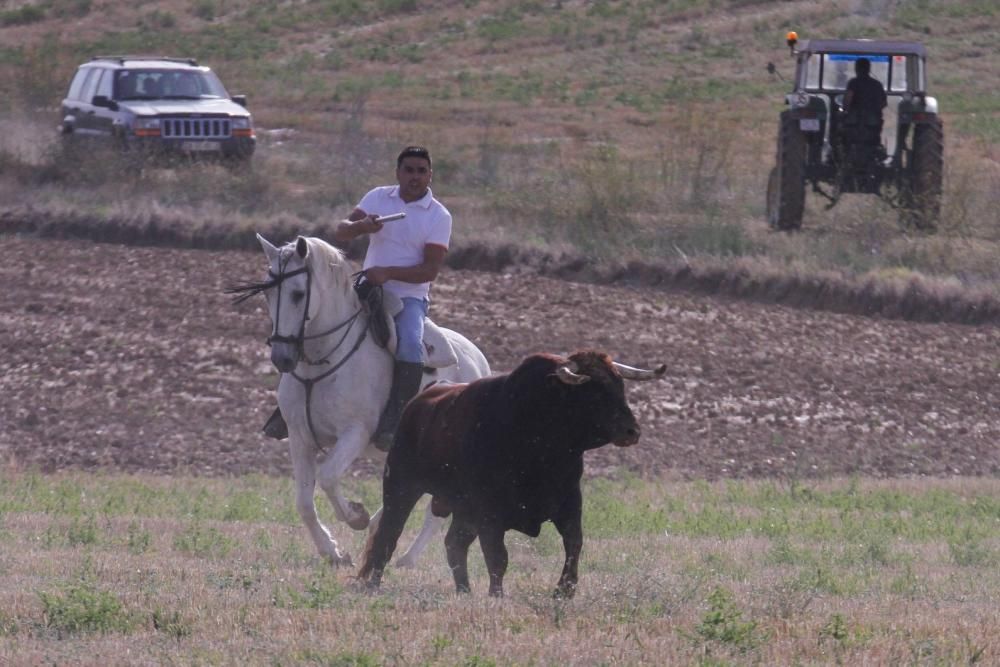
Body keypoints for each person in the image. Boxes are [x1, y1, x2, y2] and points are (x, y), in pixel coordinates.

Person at [263, 146, 452, 451]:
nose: (414, 177)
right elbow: (342, 231)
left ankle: (394, 419)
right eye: (409, 170)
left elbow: (429, 270)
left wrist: (387, 273)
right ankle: (287, 413)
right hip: (367, 287)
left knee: (409, 347)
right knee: (308, 327)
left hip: (409, 298)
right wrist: (362, 227)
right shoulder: (378, 196)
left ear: (430, 175)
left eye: (421, 171)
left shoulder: (439, 216)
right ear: (398, 172)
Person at [842, 57, 887, 141]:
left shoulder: (853, 82)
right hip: (873, 121)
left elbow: (848, 99)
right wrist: (875, 110)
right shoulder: (877, 84)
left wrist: (845, 109)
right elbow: (883, 103)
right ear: (869, 68)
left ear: (856, 69)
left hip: (854, 119)